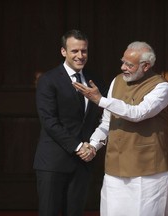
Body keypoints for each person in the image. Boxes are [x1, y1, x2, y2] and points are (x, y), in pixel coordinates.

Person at [73, 41, 168, 215]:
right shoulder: (116, 81)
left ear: (146, 66)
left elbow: (138, 113)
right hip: (115, 169)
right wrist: (93, 145)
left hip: (146, 171)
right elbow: (107, 122)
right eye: (123, 62)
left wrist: (100, 100)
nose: (123, 67)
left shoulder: (161, 87)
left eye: (129, 64)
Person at [33, 29, 104, 216]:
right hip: (53, 163)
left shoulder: (93, 81)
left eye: (84, 51)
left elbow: (99, 118)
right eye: (74, 51)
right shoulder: (48, 80)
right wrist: (79, 146)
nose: (80, 56)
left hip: (82, 163)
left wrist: (92, 147)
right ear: (63, 51)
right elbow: (49, 121)